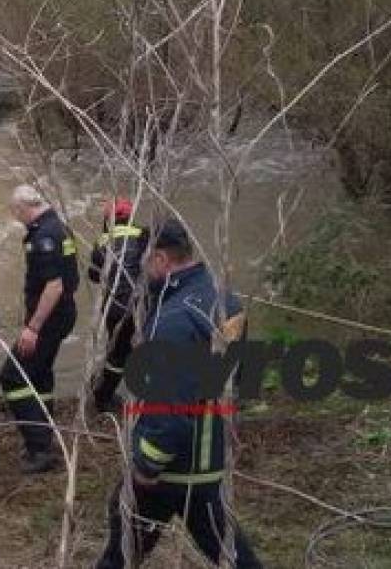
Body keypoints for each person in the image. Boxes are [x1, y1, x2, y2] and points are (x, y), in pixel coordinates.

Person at [95, 218, 262, 568]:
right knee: (225, 546)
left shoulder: (173, 320)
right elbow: (240, 375)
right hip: (207, 456)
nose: (139, 271)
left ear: (160, 259)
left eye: (142, 262)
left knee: (122, 545)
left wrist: (146, 466)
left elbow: (167, 409)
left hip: (174, 468)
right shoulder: (222, 297)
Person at [2, 184, 79, 475]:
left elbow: (54, 285)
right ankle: (44, 435)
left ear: (24, 207)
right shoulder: (59, 226)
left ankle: (39, 449)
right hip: (62, 314)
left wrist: (33, 327)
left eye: (15, 212)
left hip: (48, 318)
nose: (16, 217)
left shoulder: (44, 236)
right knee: (40, 373)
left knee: (13, 376)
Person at [86, 197, 148, 412]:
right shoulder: (143, 236)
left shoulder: (102, 243)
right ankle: (107, 396)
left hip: (113, 308)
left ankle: (102, 394)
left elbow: (93, 275)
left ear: (108, 219)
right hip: (139, 305)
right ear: (130, 217)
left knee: (117, 352)